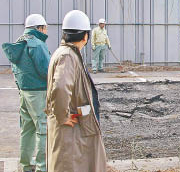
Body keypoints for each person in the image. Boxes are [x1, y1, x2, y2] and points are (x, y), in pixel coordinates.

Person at [45, 10, 107, 172]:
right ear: (85, 36)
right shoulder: (68, 56)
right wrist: (63, 115)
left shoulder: (64, 52)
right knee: (71, 163)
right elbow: (60, 87)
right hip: (71, 128)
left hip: (76, 120)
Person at [2, 14, 50, 172]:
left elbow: (16, 70)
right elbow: (46, 70)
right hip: (38, 93)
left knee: (27, 129)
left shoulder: (19, 43)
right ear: (39, 28)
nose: (46, 30)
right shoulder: (37, 44)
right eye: (45, 27)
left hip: (24, 92)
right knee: (43, 130)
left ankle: (26, 166)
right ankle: (42, 167)